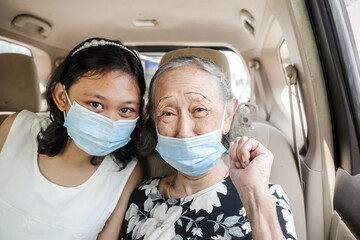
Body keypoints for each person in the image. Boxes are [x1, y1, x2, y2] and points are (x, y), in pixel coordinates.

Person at [120, 56, 297, 239]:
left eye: (199, 110)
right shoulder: (142, 198)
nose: (184, 131)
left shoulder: (267, 196)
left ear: (228, 115)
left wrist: (254, 194)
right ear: (154, 120)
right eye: (168, 113)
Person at [0, 38, 146, 239]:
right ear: (61, 97)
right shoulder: (15, 128)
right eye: (96, 104)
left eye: (125, 110)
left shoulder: (128, 173)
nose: (110, 121)